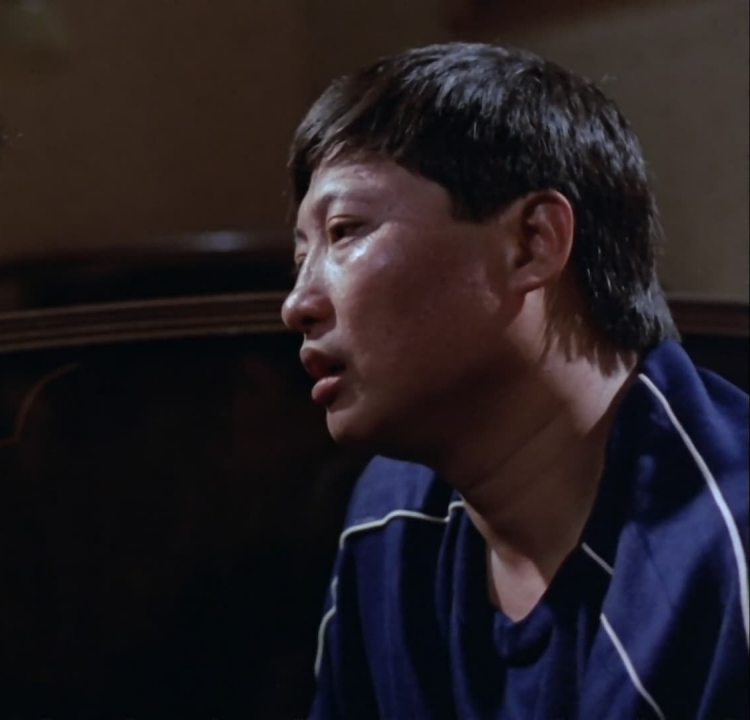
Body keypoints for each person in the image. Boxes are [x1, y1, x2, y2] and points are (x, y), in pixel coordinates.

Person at [282, 42, 748, 719]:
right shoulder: (392, 515)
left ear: (533, 242)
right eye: (300, 258)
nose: (297, 303)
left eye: (345, 231)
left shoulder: (724, 548)